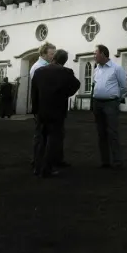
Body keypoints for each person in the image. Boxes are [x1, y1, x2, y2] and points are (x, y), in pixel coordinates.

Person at [31, 49, 80, 177]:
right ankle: (47, 168)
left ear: (54, 58)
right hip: (57, 110)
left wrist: (35, 110)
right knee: (53, 139)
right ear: (64, 61)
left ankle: (37, 167)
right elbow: (76, 85)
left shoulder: (39, 71)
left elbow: (34, 92)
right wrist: (65, 93)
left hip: (42, 110)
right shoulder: (66, 72)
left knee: (42, 139)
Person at [91, 44, 127, 169]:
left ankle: (117, 161)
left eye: (95, 53)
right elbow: (94, 85)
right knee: (101, 133)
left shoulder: (116, 68)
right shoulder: (96, 69)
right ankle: (105, 162)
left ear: (102, 54)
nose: (94, 55)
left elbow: (123, 87)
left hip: (111, 104)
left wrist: (117, 100)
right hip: (98, 104)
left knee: (112, 132)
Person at [29, 42, 56, 167]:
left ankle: (40, 159)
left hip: (46, 106)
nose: (53, 56)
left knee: (44, 134)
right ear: (44, 54)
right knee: (40, 135)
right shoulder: (38, 67)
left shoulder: (45, 65)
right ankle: (37, 160)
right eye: (51, 54)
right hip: (42, 106)